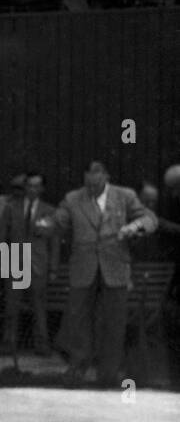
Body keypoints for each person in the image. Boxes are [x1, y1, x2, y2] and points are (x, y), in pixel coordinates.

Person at [37, 161, 157, 387]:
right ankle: (78, 370)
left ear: (106, 177)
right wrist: (47, 224)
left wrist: (135, 227)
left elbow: (150, 219)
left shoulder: (125, 196)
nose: (91, 188)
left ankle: (108, 375)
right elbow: (59, 218)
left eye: (95, 183)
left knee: (114, 323)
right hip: (84, 268)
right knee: (79, 321)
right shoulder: (73, 198)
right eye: (87, 183)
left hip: (115, 267)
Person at [0, 171, 57, 355]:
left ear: (42, 189)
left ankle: (42, 344)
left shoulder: (49, 211)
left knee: (39, 306)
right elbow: (2, 237)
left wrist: (53, 268)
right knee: (11, 306)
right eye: (29, 185)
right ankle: (9, 342)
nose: (32, 189)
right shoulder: (11, 208)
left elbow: (54, 243)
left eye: (36, 186)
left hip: (37, 264)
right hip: (15, 262)